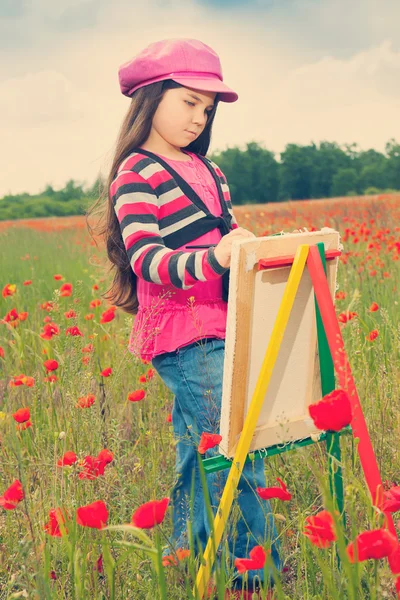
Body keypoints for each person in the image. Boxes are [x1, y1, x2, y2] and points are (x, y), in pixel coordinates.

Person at [91, 38, 282, 598]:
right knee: (234, 450)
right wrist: (215, 258)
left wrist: (243, 248)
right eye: (188, 102)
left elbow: (224, 241)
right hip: (181, 330)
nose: (199, 118)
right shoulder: (135, 173)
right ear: (150, 99)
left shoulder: (211, 171)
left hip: (225, 321)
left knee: (199, 450)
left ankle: (190, 551)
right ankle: (253, 576)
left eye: (207, 108)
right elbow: (147, 260)